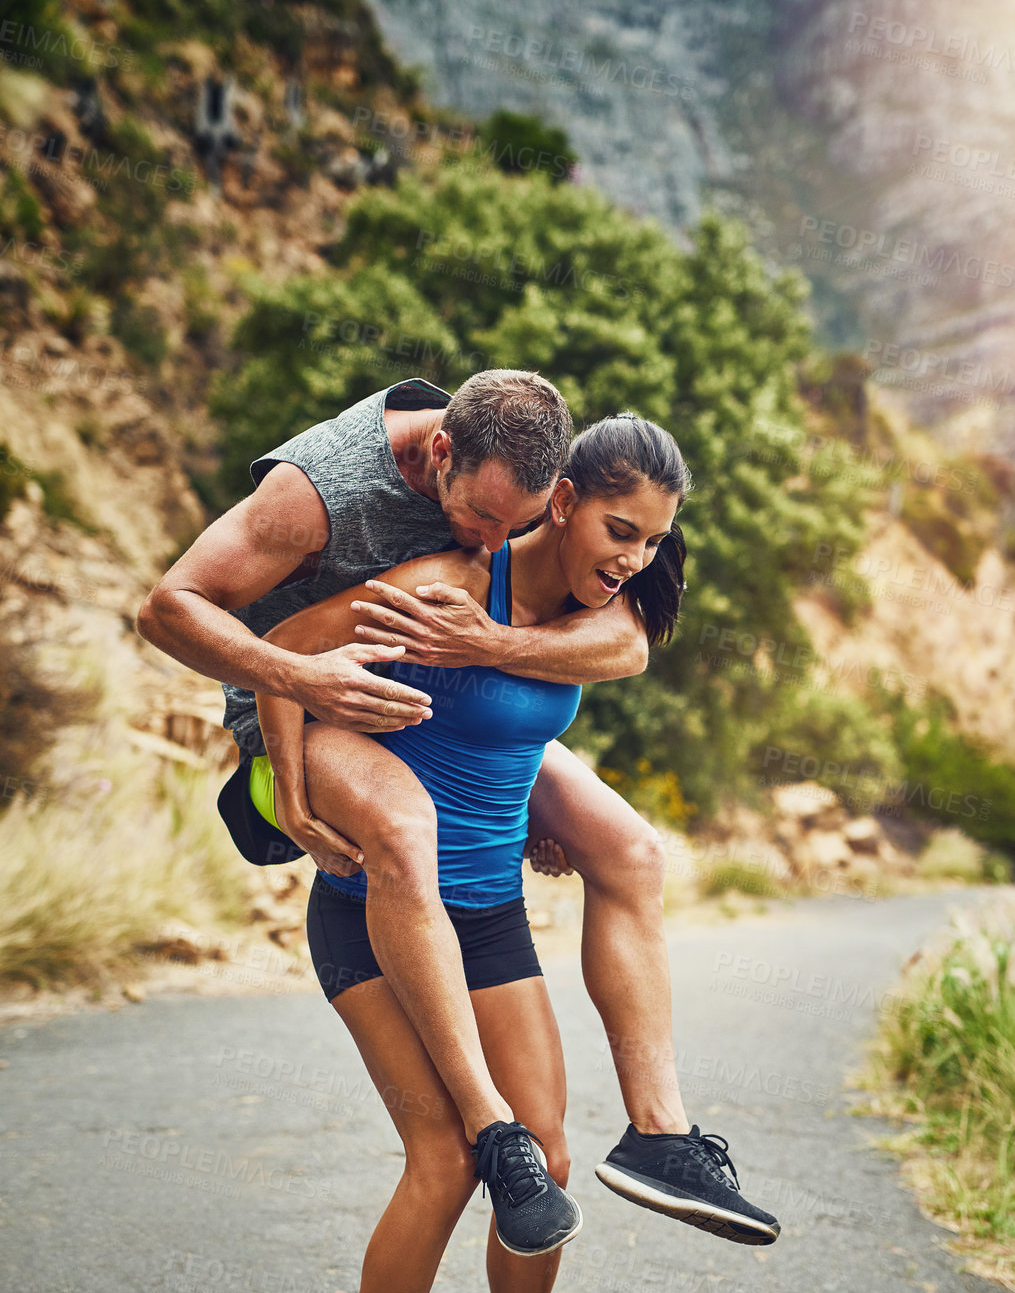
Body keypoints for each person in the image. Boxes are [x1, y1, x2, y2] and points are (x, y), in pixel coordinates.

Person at [253, 416, 776, 1293]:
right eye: (620, 530)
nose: (634, 557)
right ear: (562, 498)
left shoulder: (605, 607)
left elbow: (625, 648)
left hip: (486, 912)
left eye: (651, 542)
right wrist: (293, 794)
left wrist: (500, 661)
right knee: (446, 1160)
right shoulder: (447, 579)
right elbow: (290, 653)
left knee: (542, 1156)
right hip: (378, 910)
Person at [136, 369, 768, 1248]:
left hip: (439, 689)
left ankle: (659, 1133)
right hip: (297, 703)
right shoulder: (319, 493)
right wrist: (292, 733)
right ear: (440, 455)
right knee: (404, 824)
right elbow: (170, 609)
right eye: (483, 522)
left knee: (630, 850)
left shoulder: (516, 448)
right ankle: (487, 1122)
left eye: (521, 523)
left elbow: (624, 637)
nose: (494, 544)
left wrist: (497, 661)